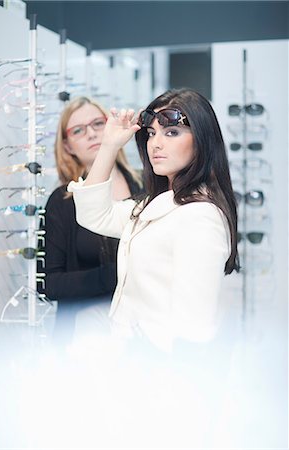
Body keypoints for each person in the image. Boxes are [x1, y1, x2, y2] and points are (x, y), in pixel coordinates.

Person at [68, 88, 239, 352]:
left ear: (202, 140)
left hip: (159, 369)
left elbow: (194, 326)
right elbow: (94, 215)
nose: (156, 144)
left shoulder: (200, 216)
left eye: (171, 133)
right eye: (151, 134)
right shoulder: (156, 204)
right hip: (133, 361)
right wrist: (110, 145)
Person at [38, 96, 142, 346]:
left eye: (98, 123)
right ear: (68, 146)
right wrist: (119, 274)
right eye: (78, 130)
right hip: (82, 340)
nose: (92, 134)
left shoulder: (147, 188)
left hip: (141, 335)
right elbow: (48, 284)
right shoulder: (61, 202)